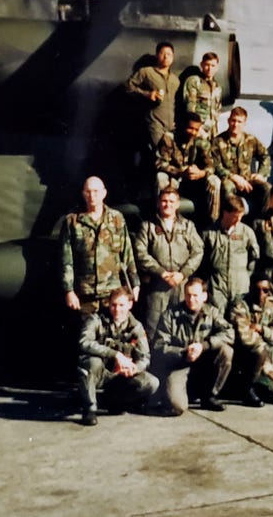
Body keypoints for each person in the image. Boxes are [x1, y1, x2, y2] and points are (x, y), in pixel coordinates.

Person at [148, 277, 235, 415]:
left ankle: (209, 395)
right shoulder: (170, 315)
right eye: (188, 295)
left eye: (195, 295)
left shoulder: (212, 313)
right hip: (180, 363)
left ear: (204, 296)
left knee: (226, 351)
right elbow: (159, 346)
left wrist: (204, 345)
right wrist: (183, 352)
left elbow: (229, 333)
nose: (191, 299)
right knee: (177, 407)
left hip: (203, 361)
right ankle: (183, 393)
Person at [77, 287, 158, 426]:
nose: (117, 309)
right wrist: (115, 355)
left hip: (120, 376)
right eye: (113, 304)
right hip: (100, 373)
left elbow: (145, 357)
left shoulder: (136, 327)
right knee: (92, 362)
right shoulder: (96, 319)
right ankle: (89, 408)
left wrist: (134, 368)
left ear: (129, 305)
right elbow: (84, 342)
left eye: (121, 305)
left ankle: (116, 401)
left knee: (152, 383)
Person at [60, 176, 139, 317]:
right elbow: (67, 261)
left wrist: (135, 284)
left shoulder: (117, 219)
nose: (92, 196)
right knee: (88, 335)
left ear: (104, 193)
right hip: (86, 294)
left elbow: (127, 254)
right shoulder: (72, 222)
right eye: (88, 191)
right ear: (83, 194)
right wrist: (69, 291)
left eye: (96, 191)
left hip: (113, 294)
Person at [134, 188, 203, 337]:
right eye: (164, 201)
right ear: (159, 203)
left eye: (172, 201)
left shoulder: (187, 226)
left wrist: (183, 274)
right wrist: (161, 272)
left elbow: (198, 252)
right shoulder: (147, 226)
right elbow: (140, 252)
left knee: (181, 326)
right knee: (153, 326)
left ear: (177, 204)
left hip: (181, 286)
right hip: (157, 286)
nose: (167, 205)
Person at [228, 276, 273, 407]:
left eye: (265, 290)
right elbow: (245, 337)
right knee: (260, 351)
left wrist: (263, 330)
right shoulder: (240, 305)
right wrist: (266, 338)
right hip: (243, 353)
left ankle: (246, 385)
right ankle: (246, 388)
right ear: (250, 289)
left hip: (263, 354)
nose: (261, 294)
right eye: (257, 290)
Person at [155, 111, 221, 225]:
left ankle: (211, 224)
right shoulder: (169, 138)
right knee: (160, 177)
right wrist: (181, 172)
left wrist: (201, 173)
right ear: (183, 125)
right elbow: (160, 163)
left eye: (196, 129)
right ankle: (163, 220)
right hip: (175, 180)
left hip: (195, 182)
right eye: (190, 128)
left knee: (214, 181)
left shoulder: (201, 141)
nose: (193, 132)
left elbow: (211, 166)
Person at [202, 195, 260, 312]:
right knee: (217, 318)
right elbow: (203, 260)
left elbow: (254, 257)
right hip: (217, 285)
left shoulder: (247, 232)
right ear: (225, 213)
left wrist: (245, 275)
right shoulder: (209, 233)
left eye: (241, 217)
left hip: (240, 285)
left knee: (240, 319)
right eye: (235, 217)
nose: (238, 220)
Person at [210, 106, 271, 214]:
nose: (235, 124)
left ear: (244, 123)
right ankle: (228, 220)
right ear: (229, 121)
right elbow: (215, 165)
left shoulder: (251, 140)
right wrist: (233, 177)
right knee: (226, 187)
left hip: (248, 181)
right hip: (229, 180)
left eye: (239, 121)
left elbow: (265, 156)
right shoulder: (217, 141)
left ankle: (260, 220)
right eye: (233, 120)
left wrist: (261, 174)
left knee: (266, 188)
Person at [124, 41, 179, 148]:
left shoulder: (175, 80)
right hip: (154, 123)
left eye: (169, 54)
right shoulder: (146, 72)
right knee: (159, 153)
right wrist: (147, 94)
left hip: (170, 126)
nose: (165, 57)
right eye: (162, 53)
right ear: (157, 55)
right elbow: (127, 87)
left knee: (169, 156)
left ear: (173, 57)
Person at [182, 51, 222, 139]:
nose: (209, 68)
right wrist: (198, 129)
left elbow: (217, 110)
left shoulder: (217, 87)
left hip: (212, 131)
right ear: (202, 65)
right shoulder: (194, 81)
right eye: (207, 65)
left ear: (217, 67)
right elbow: (190, 108)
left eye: (213, 65)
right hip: (198, 130)